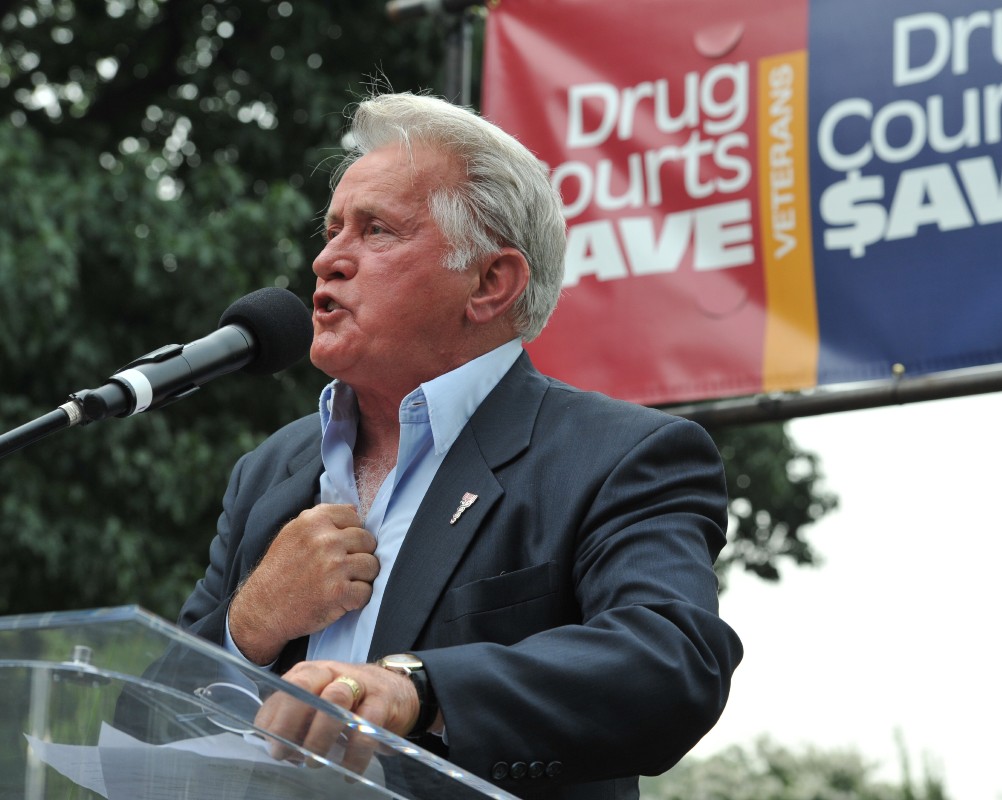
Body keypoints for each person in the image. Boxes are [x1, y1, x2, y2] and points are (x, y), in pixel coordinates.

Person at [178, 91, 742, 799]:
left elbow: (671, 663)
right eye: (331, 231)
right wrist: (251, 623)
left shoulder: (620, 456)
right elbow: (153, 706)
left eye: (375, 230)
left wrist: (417, 686)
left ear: (490, 283)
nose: (327, 260)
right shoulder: (268, 472)